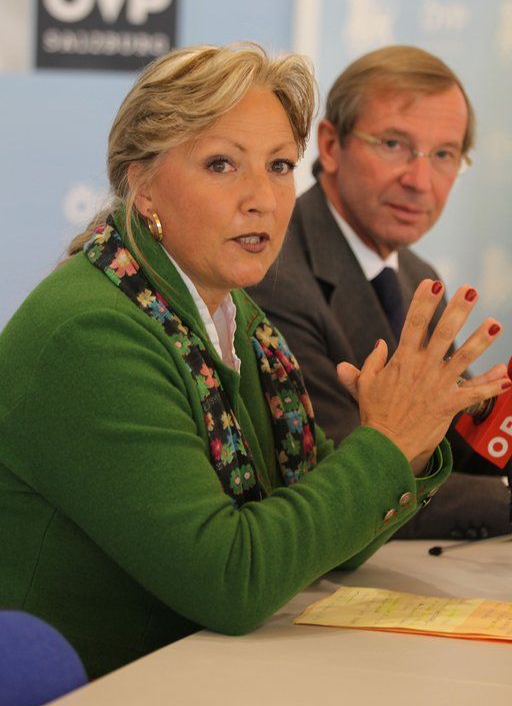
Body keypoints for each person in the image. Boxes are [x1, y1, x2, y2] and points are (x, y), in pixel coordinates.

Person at [0, 44, 508, 680]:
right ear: (142, 184)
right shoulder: (92, 331)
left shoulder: (235, 316)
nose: (262, 198)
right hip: (103, 684)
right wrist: (385, 443)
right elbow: (231, 579)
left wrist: (412, 440)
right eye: (221, 165)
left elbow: (330, 536)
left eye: (279, 166)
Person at [250, 44, 511, 539]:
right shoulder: (273, 272)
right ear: (331, 146)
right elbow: (350, 476)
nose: (420, 180)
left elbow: (458, 440)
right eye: (393, 144)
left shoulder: (415, 274)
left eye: (443, 155)